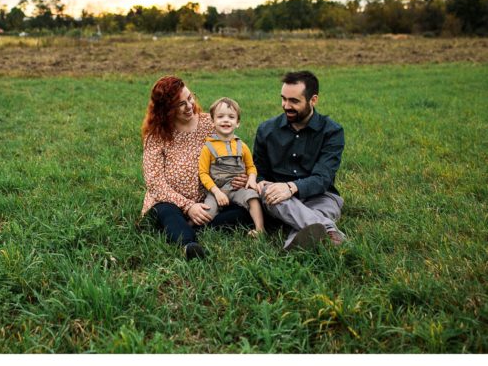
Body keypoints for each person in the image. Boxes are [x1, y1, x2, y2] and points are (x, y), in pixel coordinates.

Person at [141, 76, 254, 260]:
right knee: (166, 211)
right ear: (166, 109)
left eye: (190, 98)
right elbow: (155, 183)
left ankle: (196, 224)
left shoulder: (209, 123)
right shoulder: (156, 136)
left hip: (211, 198)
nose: (189, 106)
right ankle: (188, 244)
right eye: (180, 104)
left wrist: (240, 176)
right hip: (171, 201)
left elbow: (234, 151)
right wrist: (188, 207)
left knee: (247, 208)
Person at [253, 70, 346, 250]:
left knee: (322, 210)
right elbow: (259, 171)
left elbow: (323, 178)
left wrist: (291, 188)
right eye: (283, 99)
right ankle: (330, 233)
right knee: (268, 191)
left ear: (313, 100)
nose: (286, 105)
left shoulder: (332, 131)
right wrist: (261, 182)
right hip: (278, 197)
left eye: (294, 101)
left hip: (320, 195)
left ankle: (293, 249)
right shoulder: (266, 130)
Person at [198, 97, 265, 238]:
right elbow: (203, 173)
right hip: (217, 190)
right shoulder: (208, 147)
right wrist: (217, 192)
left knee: (252, 197)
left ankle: (260, 229)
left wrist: (252, 179)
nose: (226, 120)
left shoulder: (242, 146)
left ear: (238, 123)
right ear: (212, 122)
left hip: (237, 189)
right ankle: (190, 226)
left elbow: (251, 166)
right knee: (207, 213)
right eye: (220, 116)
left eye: (231, 117)